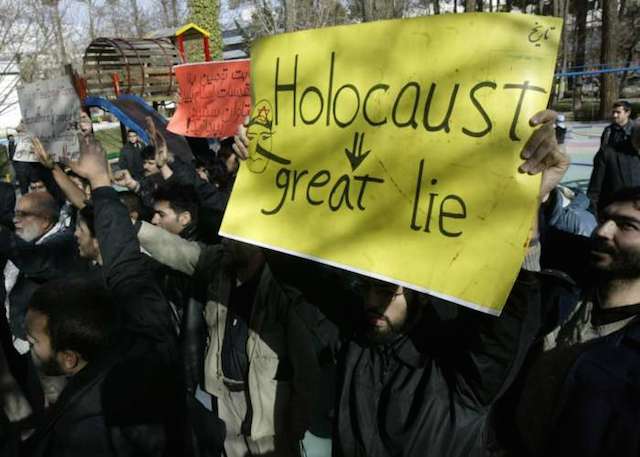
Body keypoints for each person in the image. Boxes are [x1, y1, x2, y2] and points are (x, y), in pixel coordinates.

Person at [230, 109, 570, 457]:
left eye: (386, 290)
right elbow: (295, 275)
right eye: (366, 287)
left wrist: (522, 205)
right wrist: (260, 174)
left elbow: (509, 315)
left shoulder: (462, 372)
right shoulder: (355, 342)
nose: (371, 301)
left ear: (420, 295)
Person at [20, 135, 186, 456]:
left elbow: (125, 262)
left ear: (69, 359)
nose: (77, 234)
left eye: (34, 340)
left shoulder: (82, 434)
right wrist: (97, 180)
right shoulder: (148, 342)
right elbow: (124, 262)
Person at [504, 185, 640, 457]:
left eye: (626, 225)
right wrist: (535, 189)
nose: (602, 231)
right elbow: (528, 233)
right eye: (603, 219)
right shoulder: (567, 279)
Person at [1, 192, 87, 354]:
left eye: (23, 215)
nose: (15, 220)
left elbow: (35, 261)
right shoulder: (27, 240)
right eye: (15, 214)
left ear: (46, 221)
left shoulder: (65, 242)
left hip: (43, 345)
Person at [587, 103, 640, 210]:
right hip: (612, 177)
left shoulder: (635, 129)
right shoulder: (608, 131)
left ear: (628, 113)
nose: (615, 115)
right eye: (613, 112)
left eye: (618, 112)